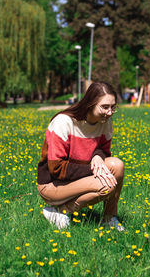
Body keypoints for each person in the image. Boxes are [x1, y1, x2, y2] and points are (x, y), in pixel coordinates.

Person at [37, 82, 125, 231]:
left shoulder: (105, 121)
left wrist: (97, 156)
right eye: (104, 107)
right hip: (52, 184)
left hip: (78, 177)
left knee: (117, 165)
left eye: (113, 107)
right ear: (90, 103)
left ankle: (109, 218)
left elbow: (103, 149)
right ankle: (60, 211)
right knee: (107, 184)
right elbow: (56, 168)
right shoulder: (63, 122)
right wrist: (94, 169)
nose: (110, 112)